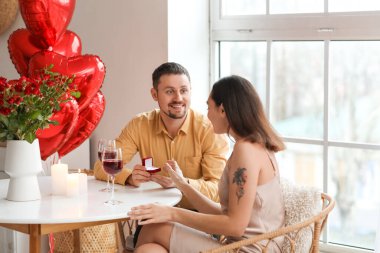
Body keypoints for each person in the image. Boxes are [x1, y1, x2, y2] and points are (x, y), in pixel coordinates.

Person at [128, 75, 286, 253]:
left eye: (208, 107)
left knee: (153, 228)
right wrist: (181, 184)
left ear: (223, 110)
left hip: (249, 250)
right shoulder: (254, 144)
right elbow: (226, 213)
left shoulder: (245, 151)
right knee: (149, 250)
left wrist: (171, 213)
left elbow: (235, 226)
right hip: (246, 245)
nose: (207, 114)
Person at [93, 62, 229, 210]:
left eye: (184, 91)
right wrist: (130, 177)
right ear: (154, 94)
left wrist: (183, 183)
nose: (178, 98)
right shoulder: (140, 125)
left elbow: (219, 189)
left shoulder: (209, 130)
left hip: (199, 218)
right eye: (170, 91)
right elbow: (101, 166)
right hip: (155, 216)